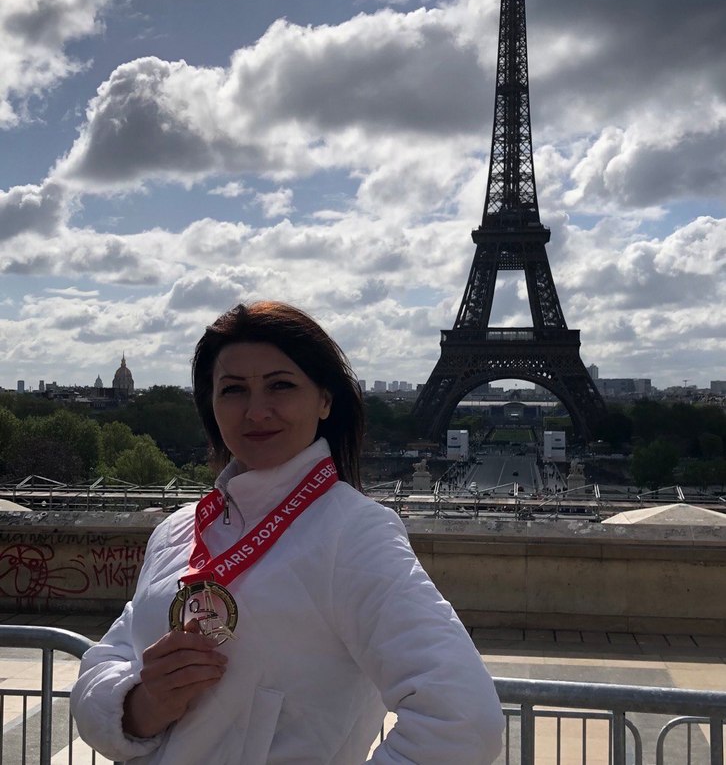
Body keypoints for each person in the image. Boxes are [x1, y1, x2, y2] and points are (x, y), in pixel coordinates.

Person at [71, 301, 504, 764]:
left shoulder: (355, 533)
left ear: (325, 399)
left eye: (280, 385)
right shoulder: (176, 530)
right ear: (211, 406)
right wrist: (142, 705)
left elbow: (463, 722)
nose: (257, 411)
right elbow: (103, 667)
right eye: (233, 390)